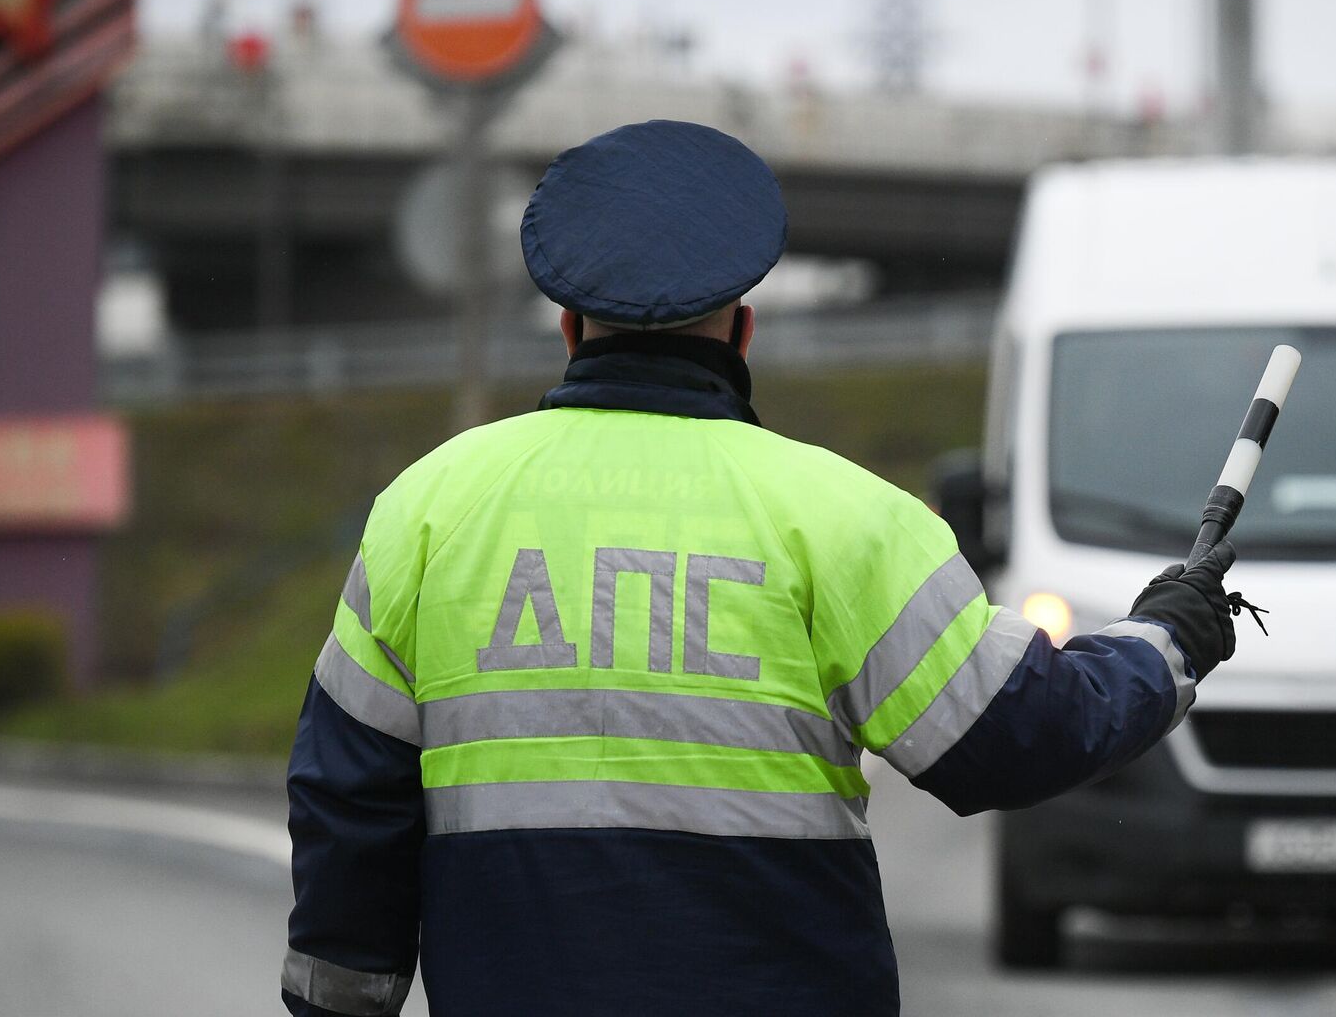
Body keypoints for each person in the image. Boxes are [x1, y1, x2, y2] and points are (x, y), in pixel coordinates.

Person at [281, 119, 1245, 1017]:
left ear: (570, 330)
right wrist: (1165, 640)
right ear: (744, 331)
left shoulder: (430, 509)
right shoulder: (842, 519)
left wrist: (342, 997)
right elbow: (1016, 735)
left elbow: (349, 790)